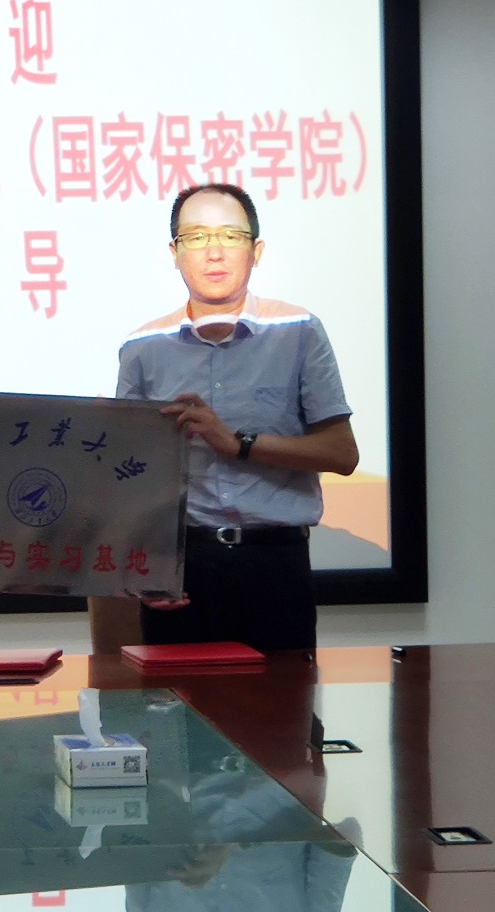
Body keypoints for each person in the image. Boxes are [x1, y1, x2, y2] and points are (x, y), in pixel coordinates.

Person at [116, 183, 357, 653]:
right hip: (182, 566)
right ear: (174, 253)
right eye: (196, 237)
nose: (214, 252)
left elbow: (342, 454)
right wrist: (144, 566)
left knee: (283, 700)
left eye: (230, 236)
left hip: (275, 564)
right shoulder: (142, 348)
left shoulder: (298, 332)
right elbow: (130, 476)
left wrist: (238, 444)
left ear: (256, 251)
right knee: (176, 701)